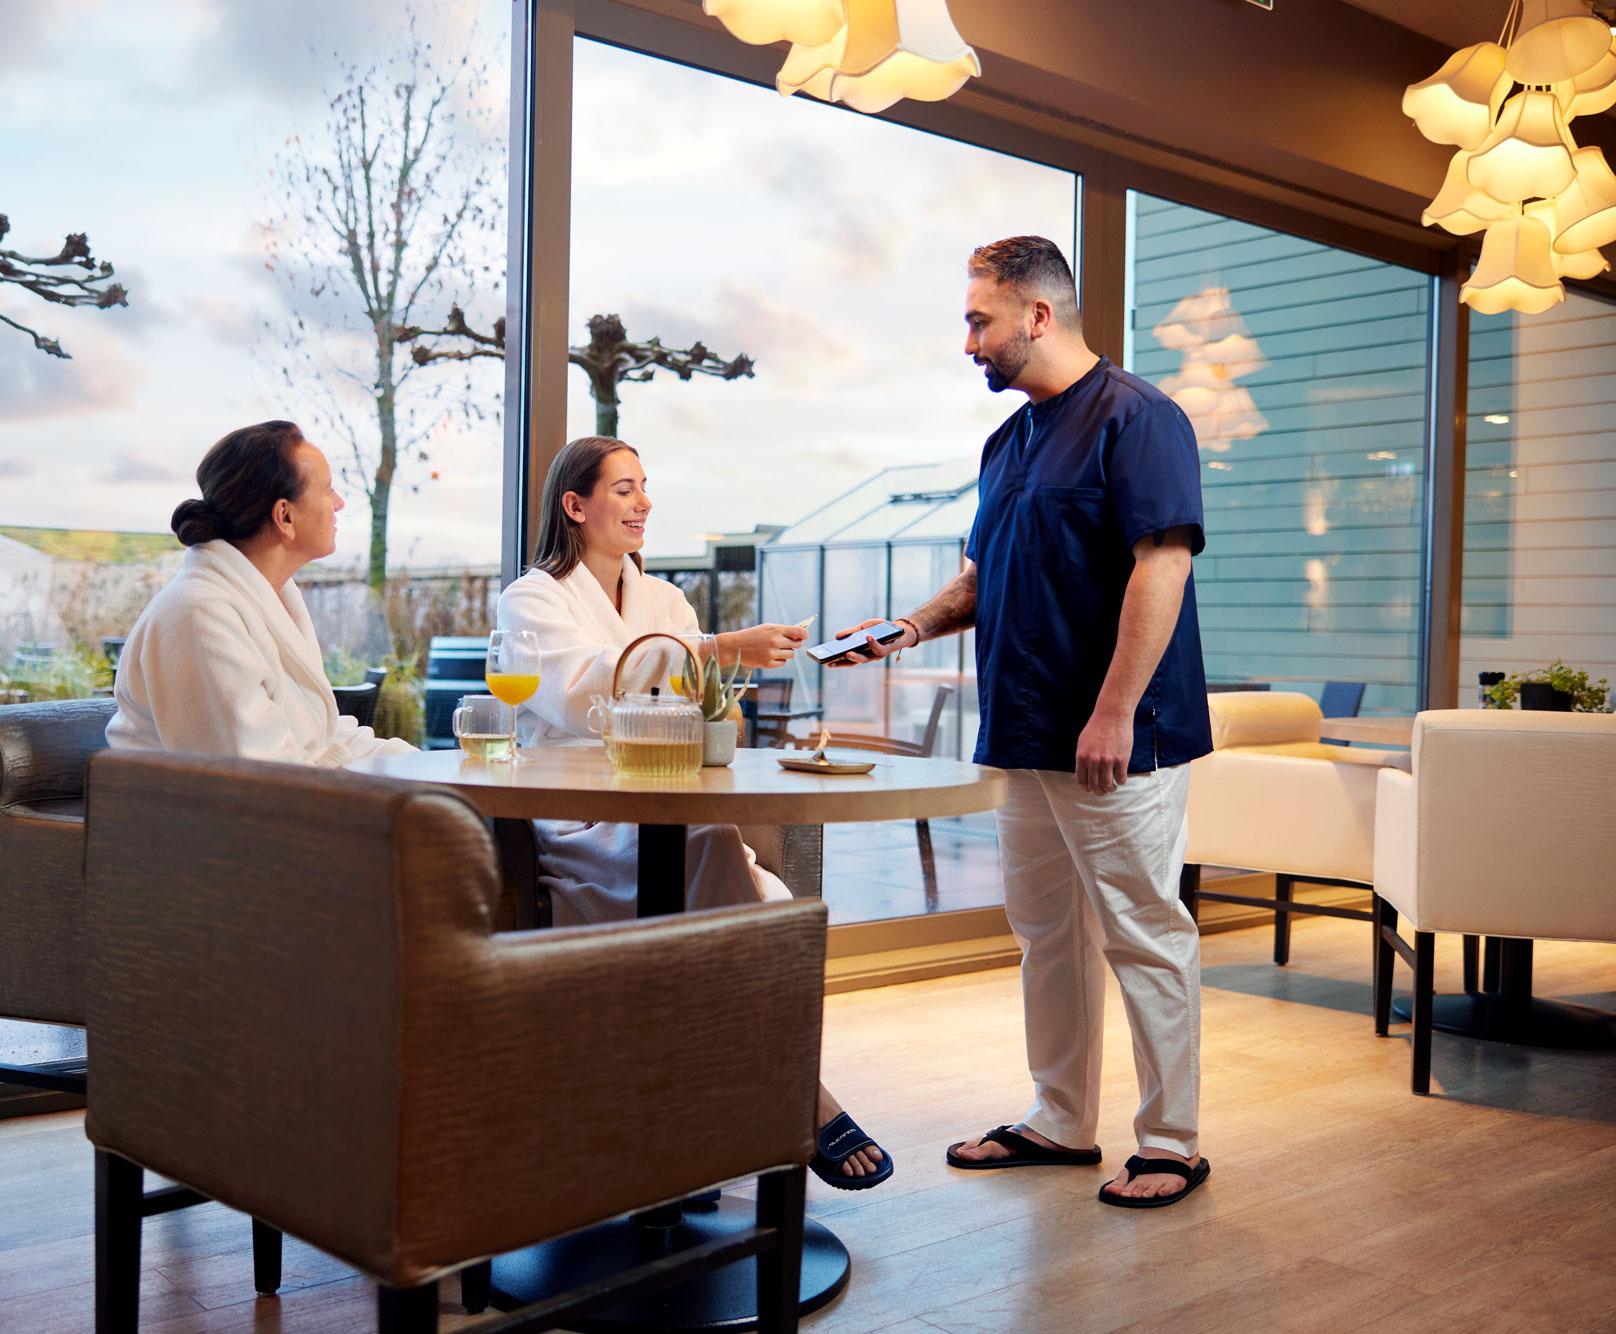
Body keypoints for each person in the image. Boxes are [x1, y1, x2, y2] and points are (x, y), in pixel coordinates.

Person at [833, 236, 1212, 1209]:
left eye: (976, 320)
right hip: (1024, 728)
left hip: (1115, 739)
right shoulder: (1005, 444)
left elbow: (1160, 565)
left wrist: (1114, 709)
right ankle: (1058, 1118)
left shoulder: (1140, 417)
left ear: (1036, 316)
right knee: (1047, 932)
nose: (966, 342)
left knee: (1141, 930)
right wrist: (906, 625)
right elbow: (980, 575)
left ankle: (1170, 1141)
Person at [496, 434, 891, 1190]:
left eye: (645, 485)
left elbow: (705, 715)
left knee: (716, 847)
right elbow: (581, 697)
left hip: (667, 804)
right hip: (577, 819)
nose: (643, 501)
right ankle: (800, 1094)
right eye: (621, 488)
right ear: (575, 506)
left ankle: (712, 1117)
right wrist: (712, 650)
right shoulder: (533, 599)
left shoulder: (663, 599)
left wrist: (707, 677)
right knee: (717, 850)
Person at [108, 419, 412, 767]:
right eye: (328, 489)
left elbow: (321, 737)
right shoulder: (199, 615)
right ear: (285, 515)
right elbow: (253, 778)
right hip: (206, 819)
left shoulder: (270, 599)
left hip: (282, 806)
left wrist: (433, 765)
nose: (339, 503)